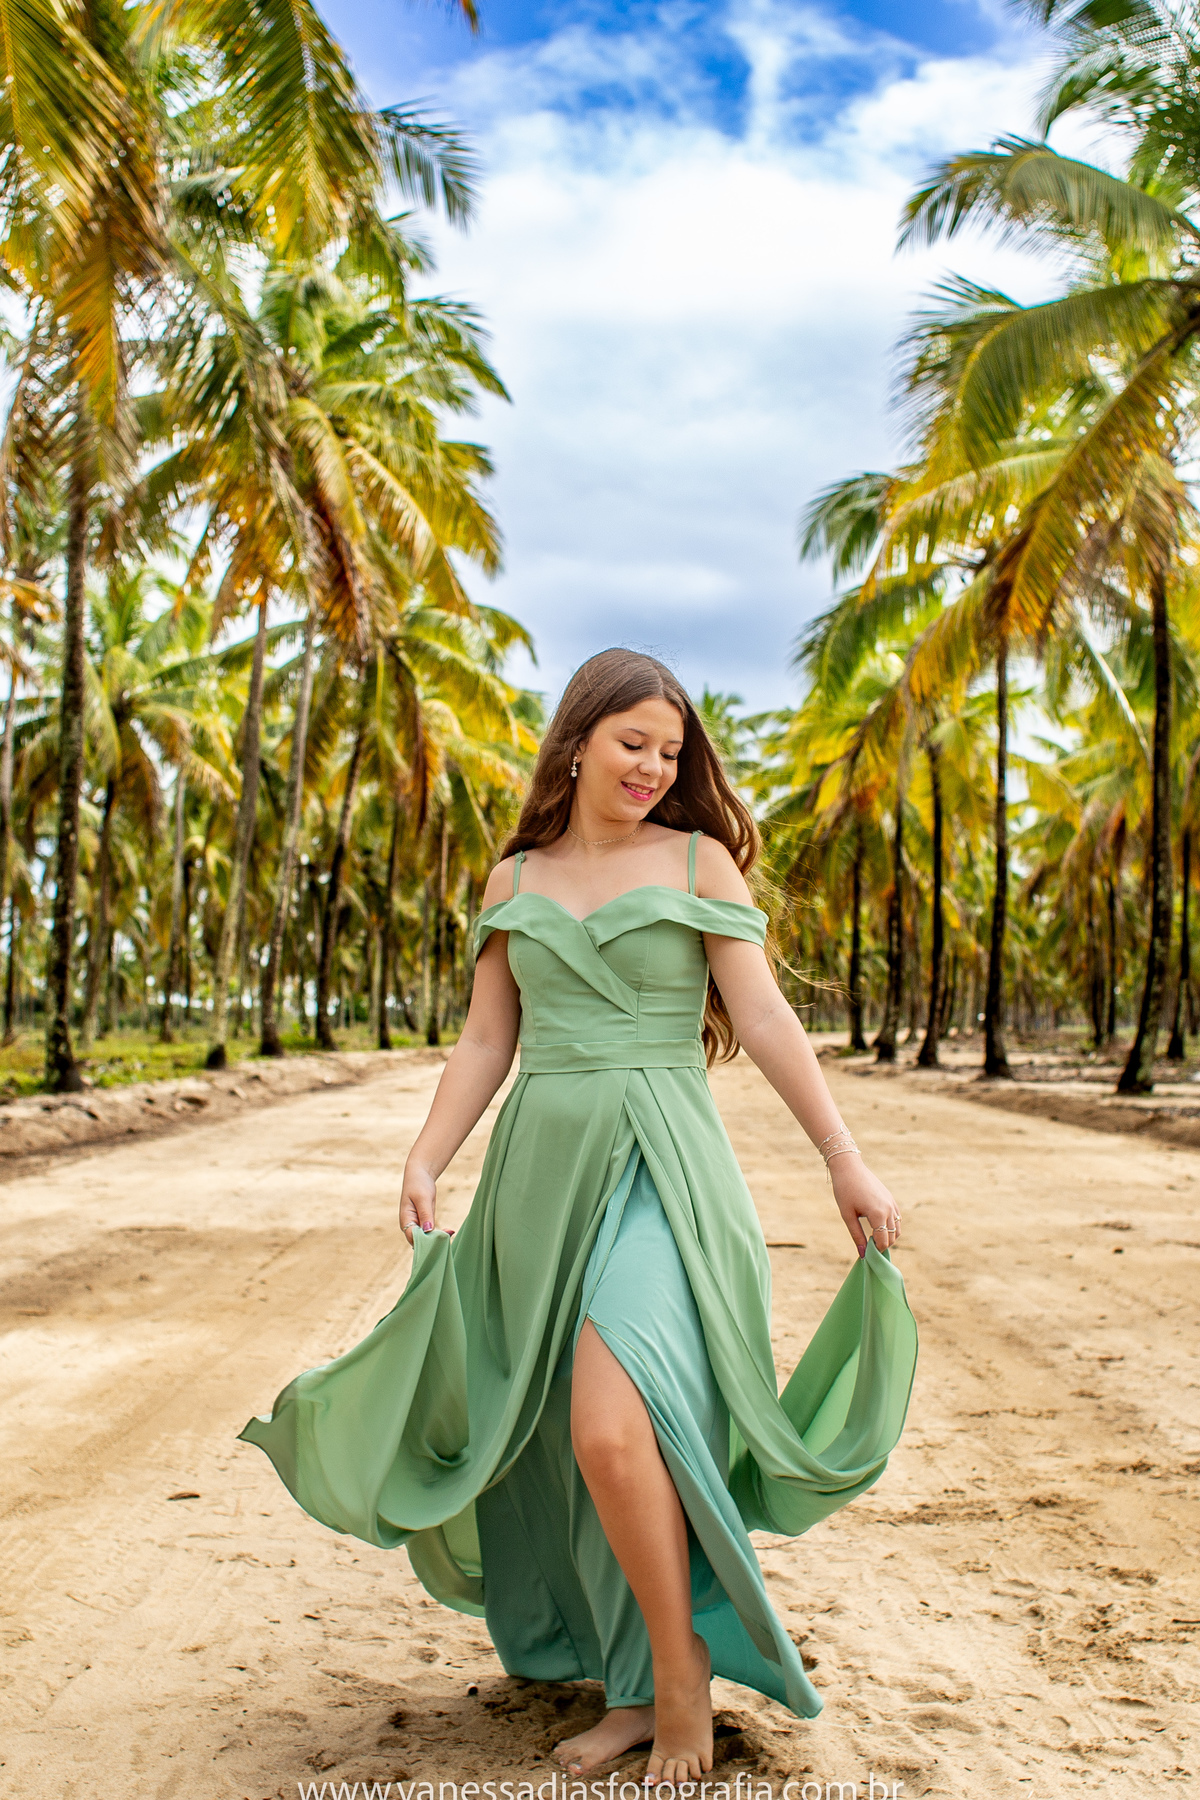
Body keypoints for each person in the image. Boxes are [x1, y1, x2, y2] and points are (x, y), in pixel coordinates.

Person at [239, 647, 917, 1788]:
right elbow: (488, 1040)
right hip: (541, 1172)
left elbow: (760, 1018)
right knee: (572, 1449)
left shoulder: (702, 864)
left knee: (615, 1422)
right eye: (631, 743)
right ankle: (636, 1687)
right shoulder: (515, 882)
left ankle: (685, 1673)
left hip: (665, 1161)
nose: (655, 765)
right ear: (578, 744)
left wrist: (844, 1160)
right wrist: (426, 1152)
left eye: (671, 748)